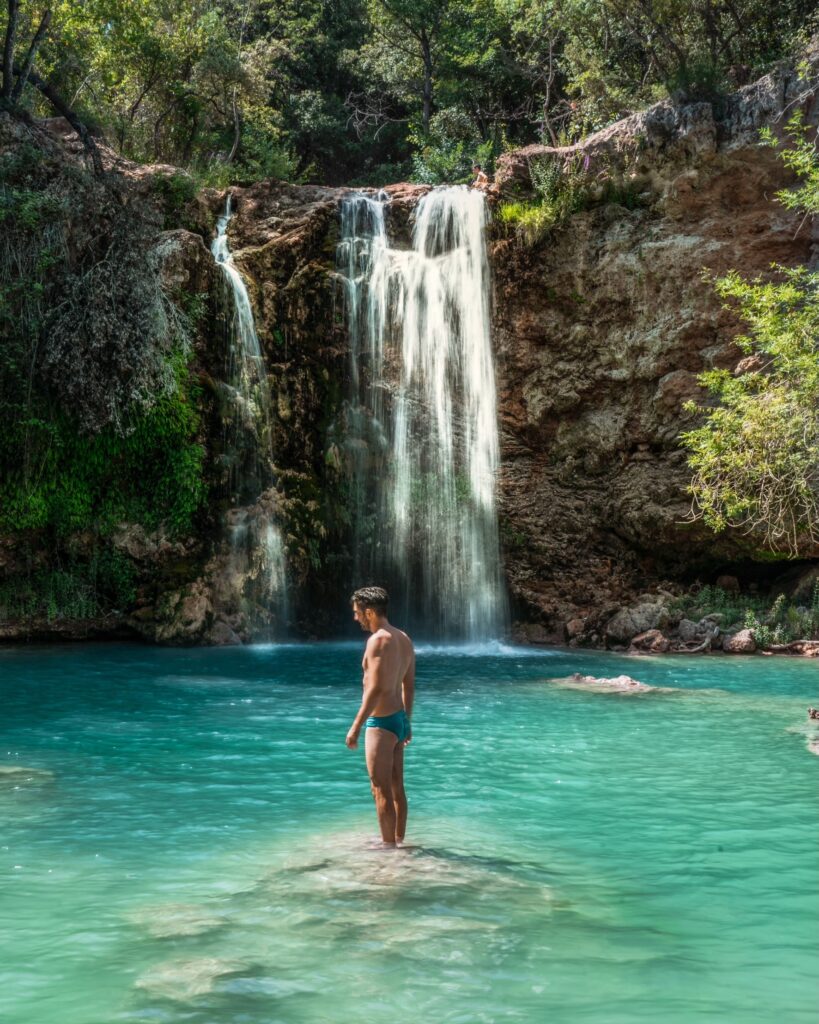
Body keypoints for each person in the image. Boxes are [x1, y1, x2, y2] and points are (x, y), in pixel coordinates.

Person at [346, 586, 415, 847]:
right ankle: (398, 841)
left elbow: (375, 688)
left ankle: (388, 850)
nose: (356, 618)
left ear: (370, 611)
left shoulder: (377, 640)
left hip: (380, 723)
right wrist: (407, 721)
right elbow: (408, 685)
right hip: (398, 719)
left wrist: (356, 726)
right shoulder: (404, 638)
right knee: (397, 788)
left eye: (357, 613)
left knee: (380, 790)